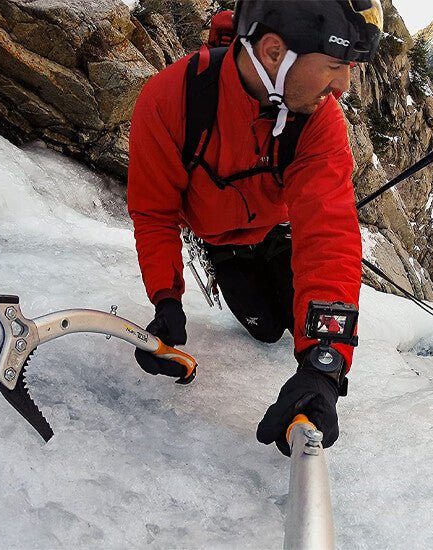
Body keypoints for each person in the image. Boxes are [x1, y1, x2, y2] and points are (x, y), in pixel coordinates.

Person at [127, 0, 383, 456]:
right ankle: (232, 265)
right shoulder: (171, 101)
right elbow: (155, 213)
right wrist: (166, 298)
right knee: (265, 329)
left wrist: (324, 364)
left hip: (276, 231)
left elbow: (329, 232)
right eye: (335, 66)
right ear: (272, 52)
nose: (343, 86)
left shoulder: (319, 121)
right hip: (222, 243)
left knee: (299, 322)